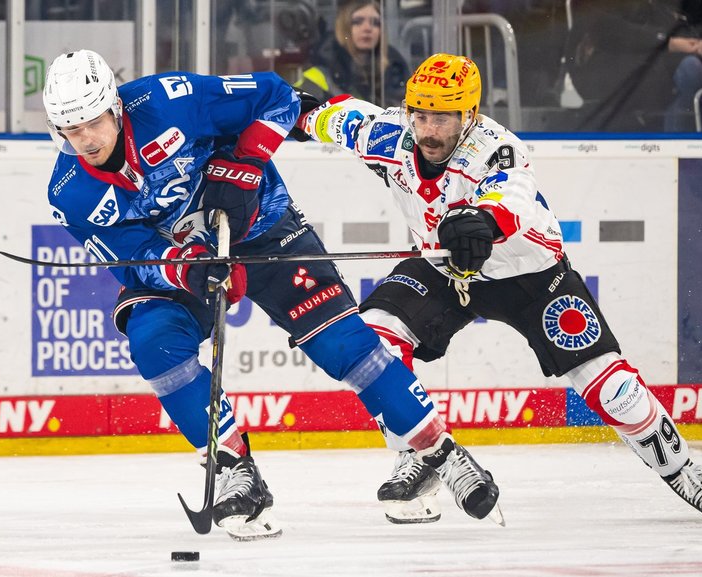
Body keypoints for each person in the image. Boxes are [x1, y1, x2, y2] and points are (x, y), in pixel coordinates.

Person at [40, 49, 502, 540]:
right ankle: (234, 470)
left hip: (265, 229)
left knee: (345, 346)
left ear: (115, 107)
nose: (84, 139)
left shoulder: (170, 99)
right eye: (70, 130)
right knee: (153, 341)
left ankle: (441, 453)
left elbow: (277, 96)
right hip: (188, 263)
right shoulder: (69, 192)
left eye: (92, 122)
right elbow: (134, 257)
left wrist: (245, 160)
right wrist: (189, 270)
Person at [293, 53, 702, 523]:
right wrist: (296, 114)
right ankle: (419, 457)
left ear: (469, 115)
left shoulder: (496, 147)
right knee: (375, 339)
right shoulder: (390, 134)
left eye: (442, 117)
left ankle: (683, 469)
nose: (428, 130)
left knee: (611, 387)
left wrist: (481, 219)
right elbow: (336, 116)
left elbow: (514, 197)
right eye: (420, 114)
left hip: (529, 272)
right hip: (444, 268)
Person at [566, 0, 702, 131]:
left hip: (663, 55)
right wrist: (668, 42)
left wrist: (699, 42)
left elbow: (687, 20)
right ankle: (681, 151)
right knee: (690, 69)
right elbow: (606, 30)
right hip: (606, 65)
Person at [294, 0, 408, 108]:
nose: (367, 28)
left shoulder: (395, 68)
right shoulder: (321, 71)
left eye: (375, 23)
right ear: (344, 27)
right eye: (357, 22)